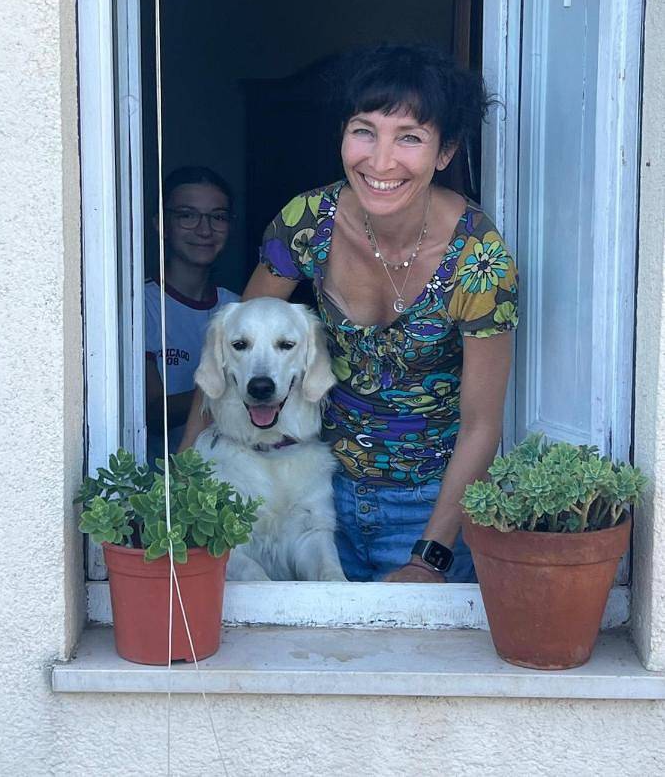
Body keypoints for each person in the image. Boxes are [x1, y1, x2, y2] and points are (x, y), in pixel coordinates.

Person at [180, 44, 518, 583]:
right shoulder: (306, 223)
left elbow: (482, 424)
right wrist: (185, 486)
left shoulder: (480, 260)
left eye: (409, 137)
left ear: (446, 151)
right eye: (364, 130)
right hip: (319, 493)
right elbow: (231, 349)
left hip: (431, 509)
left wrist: (430, 555)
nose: (380, 161)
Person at [145, 166, 239, 463]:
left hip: (234, 479)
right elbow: (151, 412)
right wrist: (232, 390)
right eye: (187, 215)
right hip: (158, 482)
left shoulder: (239, 310)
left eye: (218, 217)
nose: (204, 230)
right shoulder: (138, 307)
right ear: (161, 224)